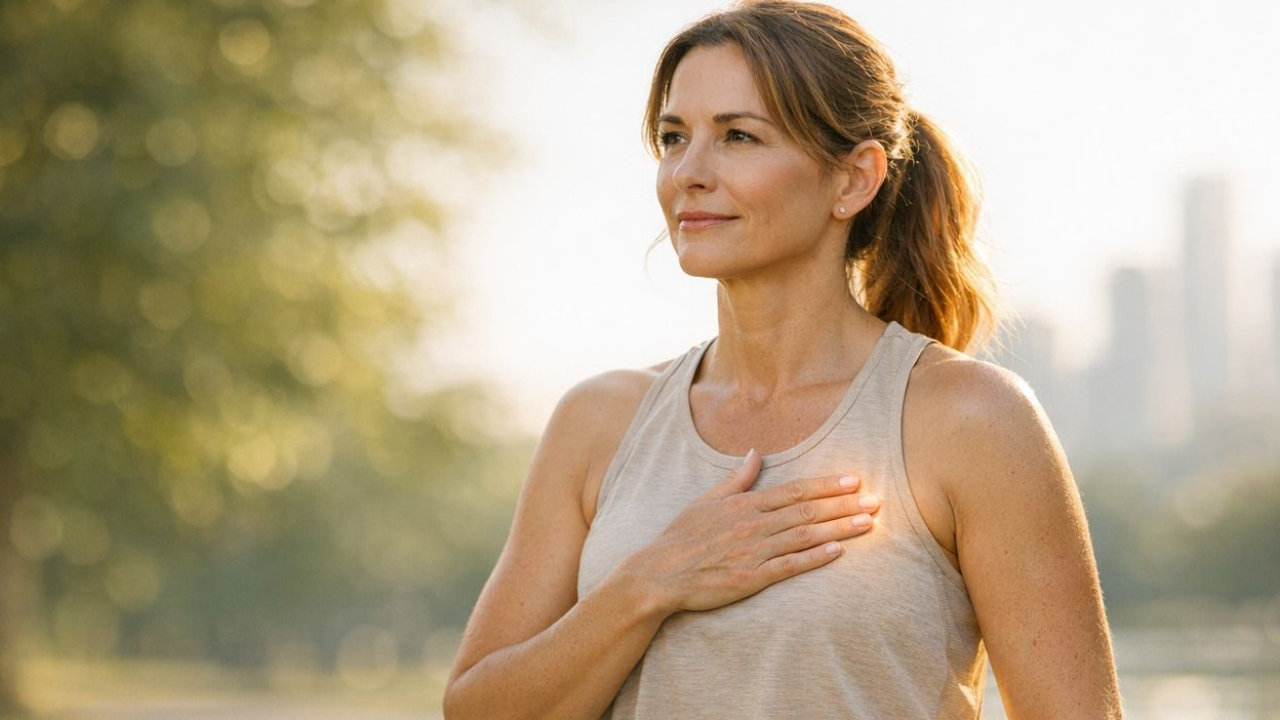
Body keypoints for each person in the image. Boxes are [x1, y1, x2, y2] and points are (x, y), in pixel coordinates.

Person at [443, 1, 1123, 718]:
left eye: (738, 136)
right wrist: (650, 582)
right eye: (674, 138)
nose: (688, 174)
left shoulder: (971, 420)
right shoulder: (599, 422)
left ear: (854, 179)